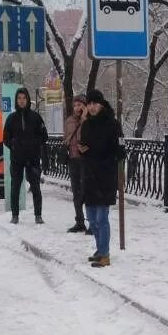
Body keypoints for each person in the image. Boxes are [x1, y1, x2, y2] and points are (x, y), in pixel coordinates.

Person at [79, 89, 122, 267]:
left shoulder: (112, 124)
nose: (92, 107)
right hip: (90, 176)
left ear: (102, 104)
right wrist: (83, 151)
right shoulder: (87, 125)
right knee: (91, 219)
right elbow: (86, 146)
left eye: (95, 103)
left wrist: (104, 157)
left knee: (101, 218)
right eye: (89, 104)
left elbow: (120, 150)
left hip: (105, 176)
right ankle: (100, 249)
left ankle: (104, 254)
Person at [3, 87, 48, 224]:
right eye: (19, 98)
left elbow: (44, 136)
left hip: (32, 158)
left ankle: (38, 215)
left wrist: (34, 143)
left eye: (24, 98)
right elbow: (6, 138)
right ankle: (15, 215)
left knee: (35, 187)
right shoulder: (11, 118)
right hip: (17, 158)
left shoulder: (35, 117)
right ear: (16, 100)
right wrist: (14, 145)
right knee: (15, 186)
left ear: (28, 100)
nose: (22, 101)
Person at [64, 94, 89, 233]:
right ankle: (79, 221)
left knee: (87, 191)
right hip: (73, 159)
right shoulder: (68, 121)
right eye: (75, 105)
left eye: (80, 105)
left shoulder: (89, 120)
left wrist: (84, 119)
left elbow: (86, 137)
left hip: (86, 159)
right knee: (76, 192)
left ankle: (91, 222)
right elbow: (66, 137)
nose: (77, 108)